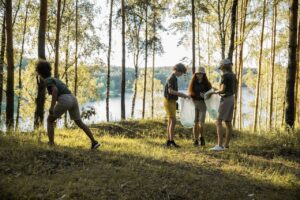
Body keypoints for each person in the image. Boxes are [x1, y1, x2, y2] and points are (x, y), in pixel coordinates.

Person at [36, 60, 100, 150]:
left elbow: (55, 90)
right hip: (73, 98)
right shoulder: (55, 79)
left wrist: (52, 107)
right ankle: (94, 142)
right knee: (79, 122)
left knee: (49, 120)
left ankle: (51, 143)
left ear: (40, 73)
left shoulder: (47, 80)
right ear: (49, 70)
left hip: (65, 99)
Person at [209, 59, 237, 151]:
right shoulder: (233, 75)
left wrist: (213, 92)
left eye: (221, 67)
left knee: (218, 121)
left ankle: (219, 145)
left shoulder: (224, 75)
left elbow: (222, 90)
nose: (220, 69)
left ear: (223, 67)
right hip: (232, 98)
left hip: (225, 99)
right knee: (228, 122)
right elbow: (233, 88)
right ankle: (226, 145)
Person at [164, 63, 189, 148]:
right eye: (181, 73)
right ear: (177, 70)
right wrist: (182, 94)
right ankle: (171, 141)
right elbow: (170, 91)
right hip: (169, 101)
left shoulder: (174, 78)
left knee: (170, 121)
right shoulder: (171, 78)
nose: (181, 74)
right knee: (173, 121)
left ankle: (169, 141)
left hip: (172, 101)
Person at [187, 67, 212, 147]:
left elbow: (211, 94)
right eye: (198, 74)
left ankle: (202, 137)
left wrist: (205, 95)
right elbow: (190, 93)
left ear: (203, 74)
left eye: (201, 74)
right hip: (194, 104)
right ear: (196, 74)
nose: (199, 75)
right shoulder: (193, 83)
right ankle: (196, 140)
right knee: (195, 123)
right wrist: (189, 96)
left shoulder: (207, 84)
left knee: (201, 123)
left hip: (203, 105)